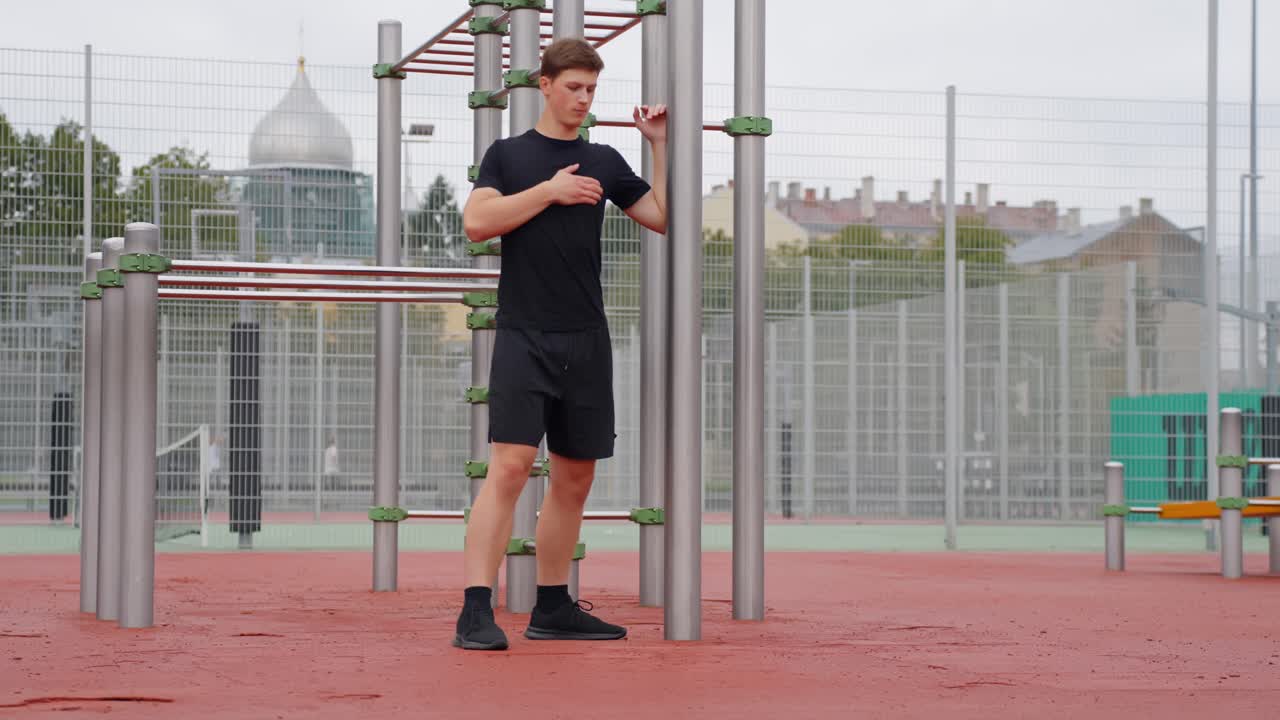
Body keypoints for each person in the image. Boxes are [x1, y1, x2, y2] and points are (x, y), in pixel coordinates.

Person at [454, 37, 667, 651]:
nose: (582, 98)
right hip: (524, 333)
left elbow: (662, 216)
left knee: (575, 478)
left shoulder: (603, 157)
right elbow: (476, 223)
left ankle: (553, 607)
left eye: (591, 89)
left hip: (587, 336)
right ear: (543, 84)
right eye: (573, 87)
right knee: (511, 468)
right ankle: (475, 610)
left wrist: (659, 147)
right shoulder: (508, 155)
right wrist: (550, 191)